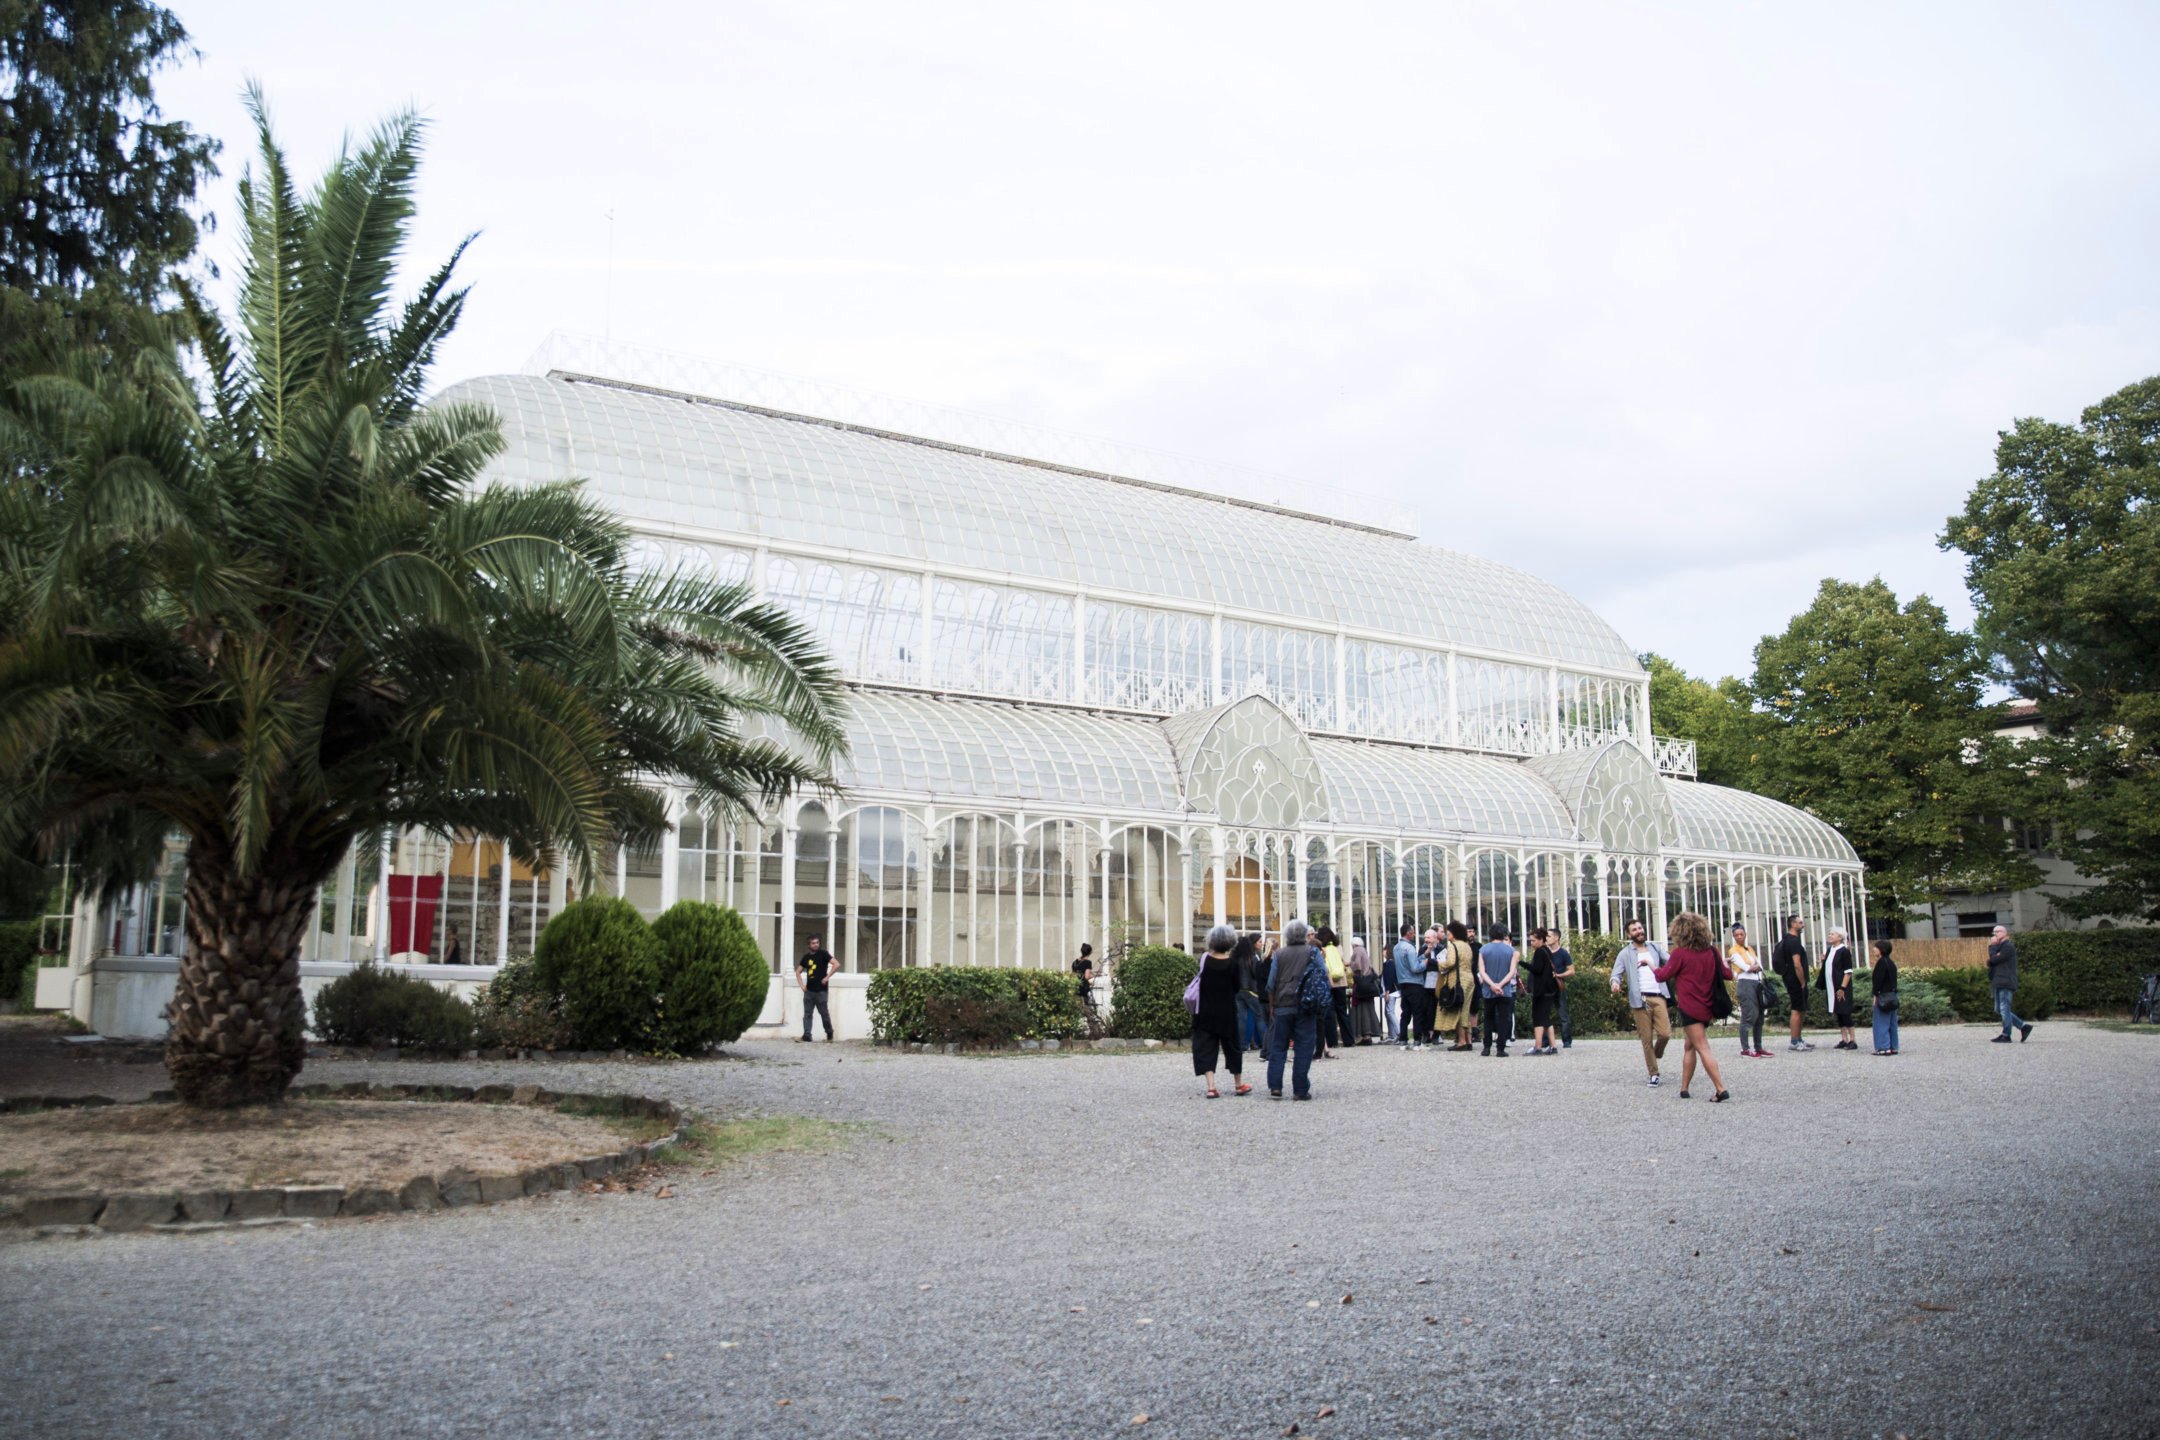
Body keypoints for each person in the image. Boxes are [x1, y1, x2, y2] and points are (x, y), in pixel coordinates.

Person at [1651, 910, 1732, 1101]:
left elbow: (1662, 975)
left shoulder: (1680, 953)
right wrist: (1724, 963)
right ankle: (1684, 1088)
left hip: (1689, 1007)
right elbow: (1728, 975)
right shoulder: (1712, 951)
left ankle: (1720, 1089)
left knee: (1702, 1046)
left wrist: (1650, 965)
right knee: (1690, 1046)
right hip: (1708, 1006)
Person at [1265, 919, 1326, 1100]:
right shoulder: (1312, 952)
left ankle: (1275, 1086)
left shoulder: (1279, 954)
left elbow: (1270, 984)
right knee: (1304, 1047)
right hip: (1305, 1005)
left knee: (1278, 1046)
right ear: (1305, 935)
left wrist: (1272, 1006)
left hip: (1283, 1004)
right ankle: (1300, 1089)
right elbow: (1322, 973)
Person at [1609, 917, 1672, 1086]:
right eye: (1635, 929)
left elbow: (1672, 962)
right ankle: (1654, 1073)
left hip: (1658, 995)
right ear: (1629, 934)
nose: (1639, 931)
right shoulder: (1625, 953)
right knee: (1646, 1039)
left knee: (1665, 1034)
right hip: (1640, 999)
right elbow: (1616, 974)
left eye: (1640, 927)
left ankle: (1656, 1053)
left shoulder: (1655, 948)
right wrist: (1615, 983)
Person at [1191, 925, 1251, 1098]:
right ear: (1230, 942)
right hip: (1227, 1011)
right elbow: (1237, 987)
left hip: (1205, 1010)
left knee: (1206, 1047)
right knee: (1232, 1047)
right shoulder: (1232, 964)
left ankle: (1211, 1087)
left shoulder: (1204, 960)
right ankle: (1238, 1084)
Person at [1771, 915, 1814, 1051]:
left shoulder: (1787, 939)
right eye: (1800, 922)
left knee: (1801, 1009)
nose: (1803, 925)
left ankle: (1798, 1038)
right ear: (1793, 924)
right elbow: (1797, 964)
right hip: (1795, 979)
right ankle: (1794, 1041)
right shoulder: (1793, 942)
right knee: (1797, 1009)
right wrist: (1802, 981)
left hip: (1790, 977)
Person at [1727, 923, 1770, 1058]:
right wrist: (1753, 966)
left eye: (1741, 934)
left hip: (1756, 983)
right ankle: (1745, 1048)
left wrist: (1754, 966)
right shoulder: (1734, 951)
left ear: (1745, 935)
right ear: (1733, 937)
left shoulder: (1749, 949)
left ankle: (1758, 1046)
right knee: (1749, 1015)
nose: (1739, 937)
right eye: (1736, 935)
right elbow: (1745, 967)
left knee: (1759, 1016)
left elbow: (1760, 966)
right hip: (1745, 983)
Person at [1434, 921, 1478, 1050]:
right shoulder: (1467, 946)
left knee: (1457, 1010)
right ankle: (1469, 1041)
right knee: (1466, 1010)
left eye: (1449, 933)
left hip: (1457, 980)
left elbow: (1451, 962)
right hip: (1469, 979)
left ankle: (1462, 1041)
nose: (1448, 936)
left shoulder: (1453, 946)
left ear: (1454, 933)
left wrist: (1440, 963)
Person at [1987, 923, 2034, 1043]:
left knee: (2004, 1008)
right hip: (1998, 981)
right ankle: (2023, 1026)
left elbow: (1995, 959)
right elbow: (1991, 961)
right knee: (1999, 1009)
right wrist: (1993, 953)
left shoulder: (2008, 947)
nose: (1995, 934)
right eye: (1994, 932)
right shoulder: (1999, 947)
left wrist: (1993, 951)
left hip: (2006, 981)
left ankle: (2006, 1034)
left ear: (2005, 933)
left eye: (1998, 932)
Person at [1478, 924, 1519, 1057]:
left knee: (1488, 1018)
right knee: (1503, 1018)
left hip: (1488, 990)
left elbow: (1482, 971)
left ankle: (1487, 1047)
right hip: (1505, 990)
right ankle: (1500, 1048)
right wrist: (1500, 985)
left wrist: (1492, 985)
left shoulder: (1483, 949)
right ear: (1504, 934)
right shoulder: (1511, 951)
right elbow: (1512, 972)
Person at [1230, 933, 1268, 1054]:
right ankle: (1265, 1043)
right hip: (1251, 990)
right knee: (1259, 1017)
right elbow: (1255, 973)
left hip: (1239, 990)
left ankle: (1242, 1045)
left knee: (1242, 1019)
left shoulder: (1235, 958)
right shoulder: (1252, 957)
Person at [1526, 927, 1560, 1055]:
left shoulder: (1540, 952)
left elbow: (1537, 970)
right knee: (1546, 1019)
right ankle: (1553, 1046)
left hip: (1542, 991)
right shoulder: (1547, 951)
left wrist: (1521, 963)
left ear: (1541, 940)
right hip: (1549, 990)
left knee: (1538, 1018)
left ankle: (1538, 1046)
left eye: (1534, 941)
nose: (1532, 943)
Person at [1392, 924, 1426, 1049]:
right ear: (1408, 933)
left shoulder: (1396, 948)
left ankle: (1403, 1040)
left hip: (1403, 983)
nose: (1414, 934)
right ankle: (1417, 1040)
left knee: (1405, 1012)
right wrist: (1425, 963)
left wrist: (1423, 956)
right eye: (1413, 932)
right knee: (1417, 1012)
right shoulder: (1410, 948)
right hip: (1415, 983)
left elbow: (1407, 964)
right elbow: (1415, 967)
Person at [1824, 929, 1859, 1050]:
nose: (1830, 936)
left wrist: (1842, 987)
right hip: (1831, 987)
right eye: (1830, 934)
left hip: (1841, 987)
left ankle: (1853, 1039)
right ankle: (1844, 1039)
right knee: (1838, 1012)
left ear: (1840, 937)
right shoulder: (1830, 950)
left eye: (1832, 934)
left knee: (1845, 1012)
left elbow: (1848, 971)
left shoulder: (1844, 951)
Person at [796, 937, 835, 1042]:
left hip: (821, 991)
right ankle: (807, 1035)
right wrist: (802, 986)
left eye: (817, 942)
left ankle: (829, 1033)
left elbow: (836, 964)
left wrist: (827, 977)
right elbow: (798, 971)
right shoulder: (806, 957)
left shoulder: (823, 954)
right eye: (813, 943)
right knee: (807, 1014)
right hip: (809, 991)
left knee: (824, 1013)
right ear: (809, 945)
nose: (816, 945)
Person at [1319, 927, 1350, 1058]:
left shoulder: (1323, 949)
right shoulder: (1338, 947)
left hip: (1330, 982)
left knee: (1330, 1012)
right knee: (1343, 1011)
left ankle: (1332, 1041)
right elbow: (1343, 961)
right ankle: (1349, 1040)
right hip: (1341, 982)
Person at [1348, 938, 1383, 1043]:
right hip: (1368, 985)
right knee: (1368, 1009)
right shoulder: (1364, 951)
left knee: (1360, 1009)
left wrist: (1350, 964)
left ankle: (1364, 1035)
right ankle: (1368, 1034)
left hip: (1361, 984)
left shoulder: (1357, 950)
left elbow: (1357, 965)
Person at [1870, 938, 1900, 1056]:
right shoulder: (1891, 962)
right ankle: (1893, 1046)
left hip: (1883, 995)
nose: (1874, 949)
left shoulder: (1881, 963)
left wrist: (1875, 995)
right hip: (1892, 994)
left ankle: (1883, 1047)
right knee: (1892, 1022)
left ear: (1881, 950)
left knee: (1881, 1022)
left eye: (1876, 947)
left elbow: (1878, 981)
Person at [1547, 926, 1576, 1048]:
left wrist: (1559, 975)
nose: (1546, 938)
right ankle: (1544, 1040)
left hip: (1558, 986)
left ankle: (1567, 1041)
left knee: (1563, 1014)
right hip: (1546, 987)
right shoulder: (1544, 952)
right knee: (1544, 1014)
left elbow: (1572, 970)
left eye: (1548, 936)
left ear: (1556, 937)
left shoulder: (1563, 953)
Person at [1380, 932, 1403, 1043]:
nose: (1383, 952)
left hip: (1391, 991)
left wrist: (1387, 991)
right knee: (1388, 1011)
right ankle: (1392, 1034)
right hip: (1393, 990)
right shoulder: (1392, 963)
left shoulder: (1389, 964)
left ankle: (1398, 1033)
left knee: (1389, 1012)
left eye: (1384, 950)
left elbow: (1389, 978)